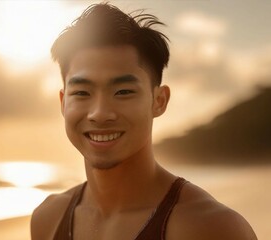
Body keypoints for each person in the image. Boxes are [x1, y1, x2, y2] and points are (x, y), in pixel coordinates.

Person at [31, 3, 257, 240]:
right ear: (63, 102)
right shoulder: (48, 218)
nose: (99, 113)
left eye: (123, 92)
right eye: (82, 93)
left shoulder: (210, 227)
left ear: (159, 101)